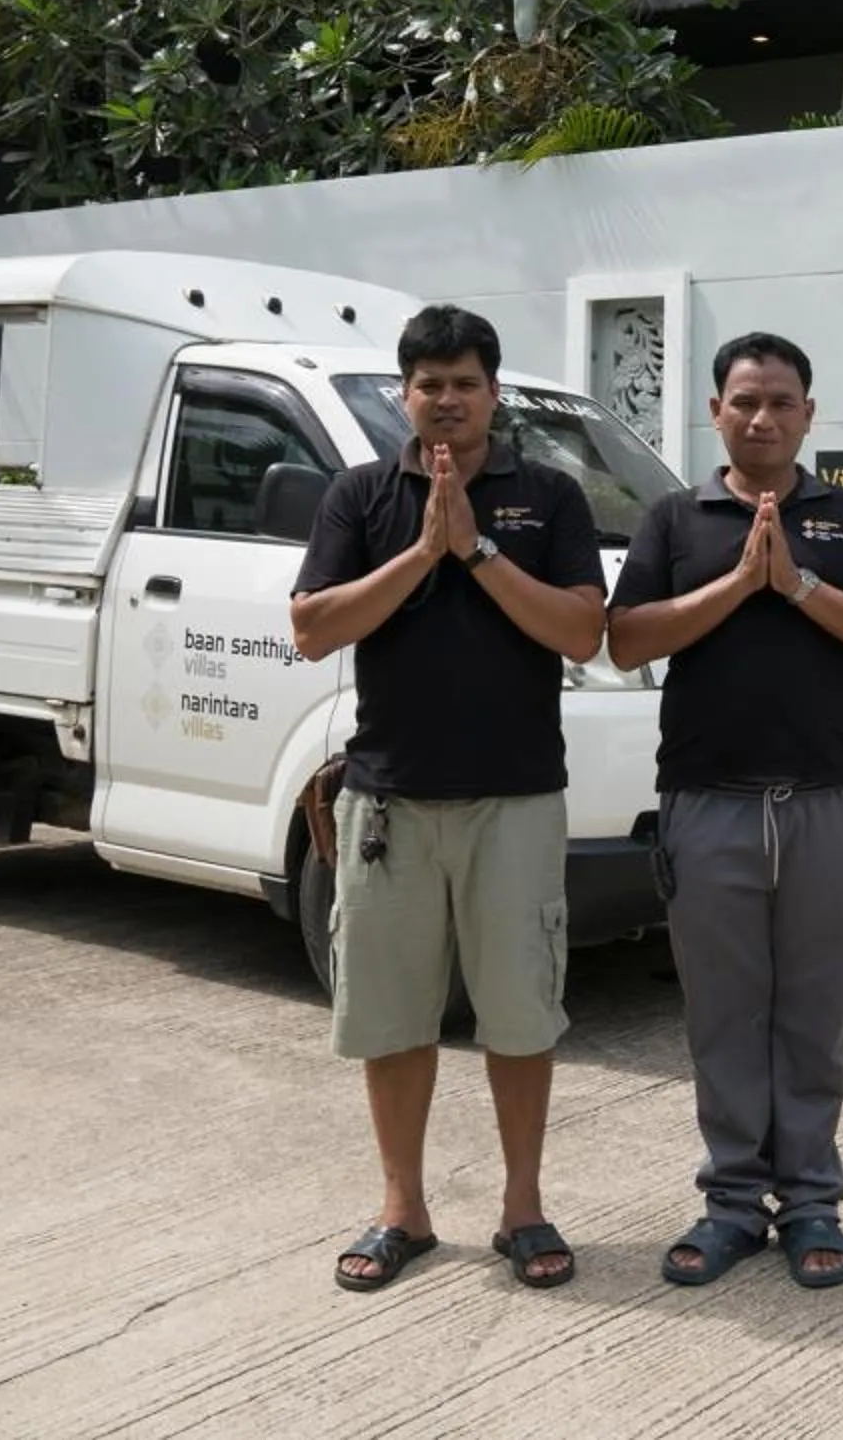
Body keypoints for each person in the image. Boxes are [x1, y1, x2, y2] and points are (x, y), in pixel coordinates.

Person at [288, 304, 608, 1295]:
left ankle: (522, 1205)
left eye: (465, 382)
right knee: (391, 1015)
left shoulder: (548, 496)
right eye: (429, 383)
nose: (446, 399)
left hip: (513, 799)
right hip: (389, 800)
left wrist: (476, 549)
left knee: (519, 1012)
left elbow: (582, 631)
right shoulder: (360, 496)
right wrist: (424, 550)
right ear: (404, 395)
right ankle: (403, 1211)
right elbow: (312, 627)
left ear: (493, 393)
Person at [608, 331, 843, 1291]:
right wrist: (739, 584)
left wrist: (798, 584)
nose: (762, 417)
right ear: (716, 412)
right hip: (710, 806)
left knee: (816, 1015)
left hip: (826, 805)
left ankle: (814, 1203)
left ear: (807, 415)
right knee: (724, 1016)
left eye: (781, 402)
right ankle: (733, 1205)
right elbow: (626, 641)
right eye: (744, 400)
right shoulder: (674, 519)